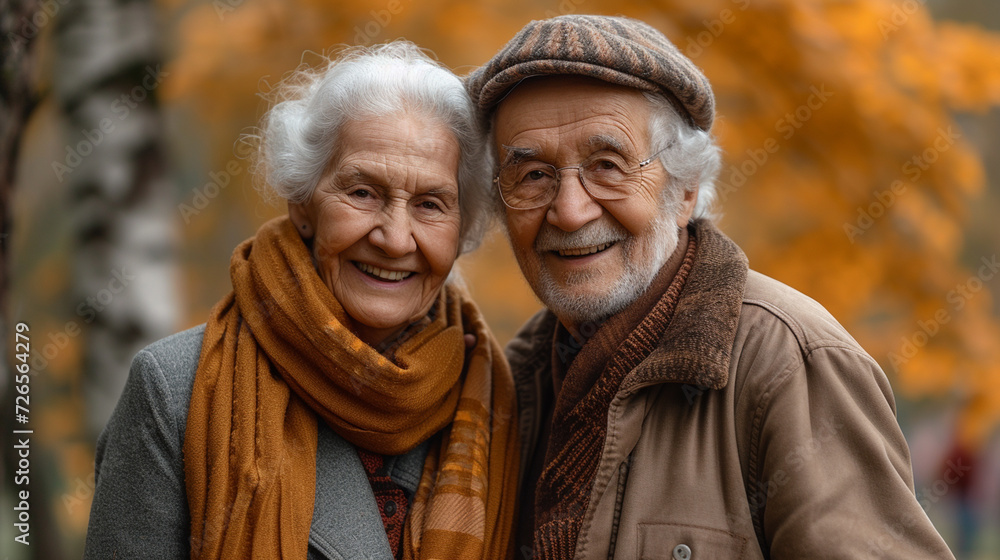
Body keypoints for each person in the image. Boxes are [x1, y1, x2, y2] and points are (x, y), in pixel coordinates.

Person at [466, 15, 955, 560]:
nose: (570, 210)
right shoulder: (511, 386)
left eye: (608, 166)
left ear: (685, 192)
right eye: (532, 175)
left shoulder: (789, 364)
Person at [84, 42, 519, 560]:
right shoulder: (173, 391)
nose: (396, 239)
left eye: (431, 204)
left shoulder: (503, 401)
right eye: (362, 193)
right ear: (303, 201)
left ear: (462, 227)